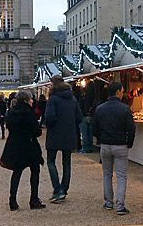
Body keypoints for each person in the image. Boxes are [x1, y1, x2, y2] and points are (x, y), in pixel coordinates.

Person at [92, 81, 135, 215]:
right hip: (120, 144)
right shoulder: (125, 108)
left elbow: (94, 128)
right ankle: (120, 205)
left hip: (105, 144)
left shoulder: (100, 108)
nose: (123, 94)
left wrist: (100, 140)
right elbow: (131, 129)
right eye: (122, 91)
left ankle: (108, 202)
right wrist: (129, 143)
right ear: (118, 92)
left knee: (107, 174)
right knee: (121, 175)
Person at [0, 90, 45, 211]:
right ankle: (34, 199)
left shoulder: (11, 112)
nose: (32, 101)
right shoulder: (28, 112)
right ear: (26, 100)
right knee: (35, 171)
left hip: (16, 145)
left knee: (17, 172)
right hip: (29, 145)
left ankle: (12, 200)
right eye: (30, 99)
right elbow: (36, 131)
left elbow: (9, 126)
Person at [44, 75, 82, 203]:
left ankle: (57, 189)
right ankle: (64, 189)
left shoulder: (53, 99)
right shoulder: (73, 99)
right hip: (69, 134)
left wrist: (51, 123)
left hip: (55, 133)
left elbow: (49, 118)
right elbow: (79, 117)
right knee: (67, 163)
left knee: (50, 161)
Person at [79, 85, 98, 153]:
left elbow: (80, 106)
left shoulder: (83, 97)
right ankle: (90, 147)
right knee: (90, 133)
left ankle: (85, 148)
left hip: (84, 116)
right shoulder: (94, 98)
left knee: (84, 134)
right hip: (91, 116)